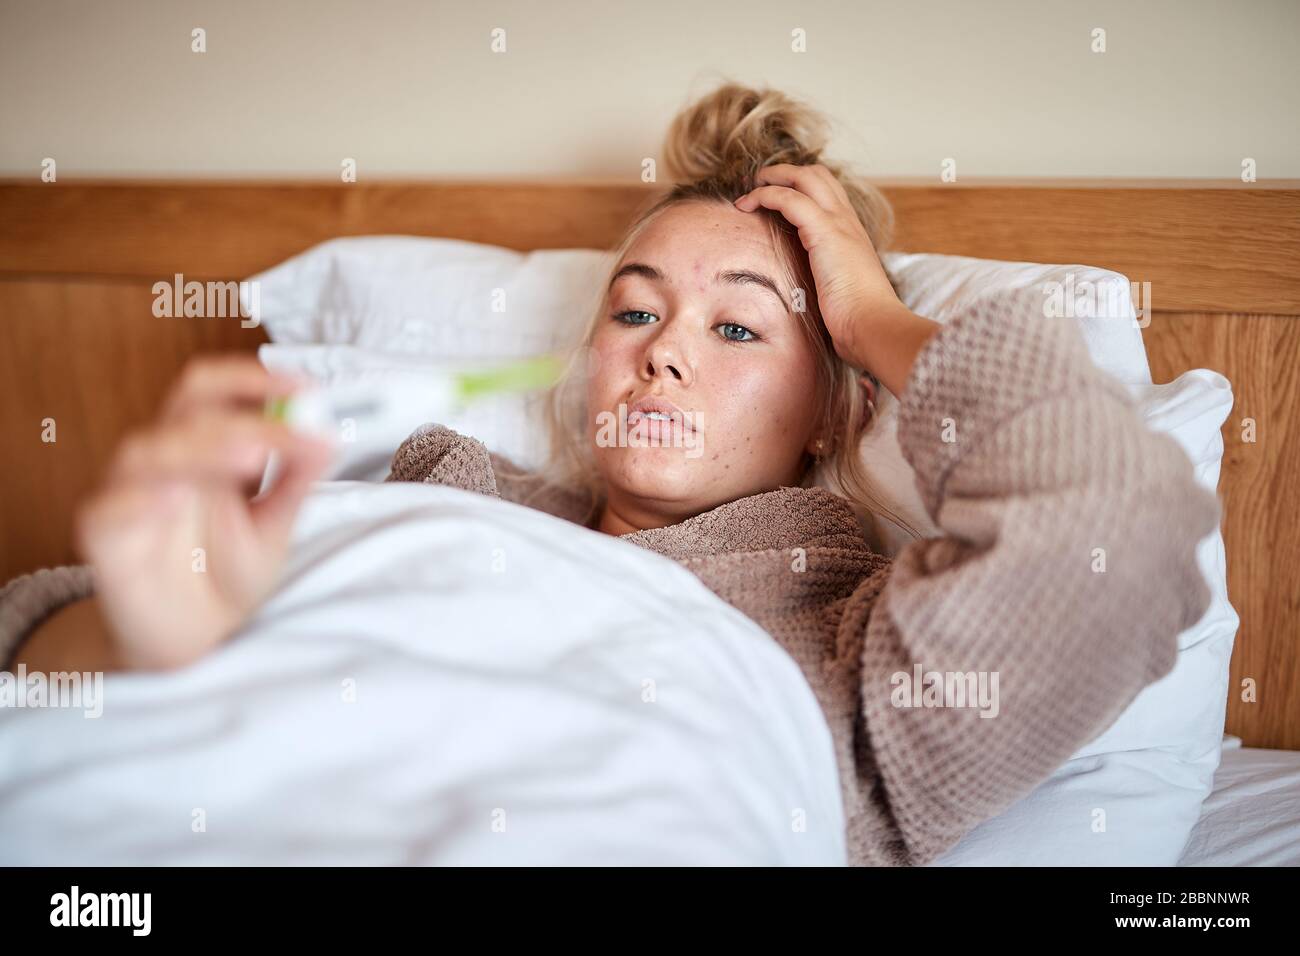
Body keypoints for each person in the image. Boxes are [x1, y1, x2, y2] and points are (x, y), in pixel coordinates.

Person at [2, 83, 1219, 866]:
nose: (666, 349)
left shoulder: (852, 644)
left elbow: (1115, 521)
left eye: (740, 327)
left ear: (830, 407)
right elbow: (33, 661)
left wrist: (875, 323)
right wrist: (139, 638)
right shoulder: (425, 495)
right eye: (634, 312)